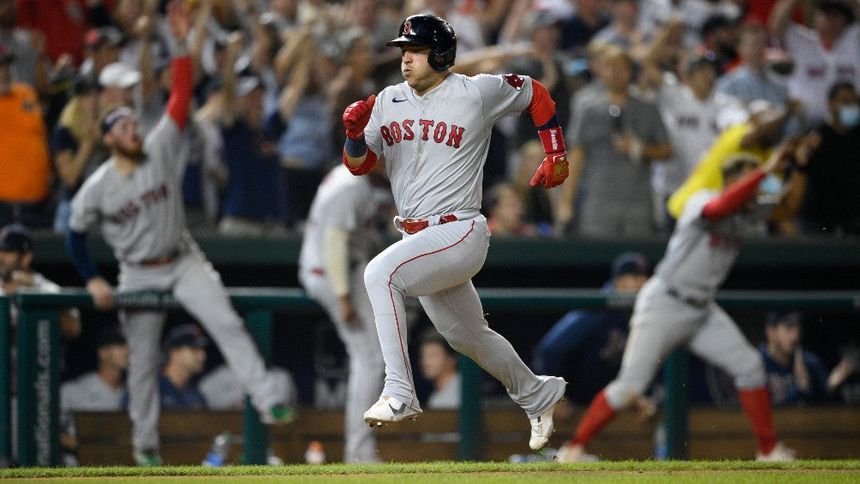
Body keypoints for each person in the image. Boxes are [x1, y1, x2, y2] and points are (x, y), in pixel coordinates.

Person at [65, 3, 293, 466]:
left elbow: (182, 93)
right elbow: (73, 234)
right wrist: (91, 277)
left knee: (226, 322)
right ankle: (145, 444)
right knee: (142, 361)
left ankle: (268, 400)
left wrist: (182, 42)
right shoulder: (98, 187)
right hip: (137, 272)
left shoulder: (159, 145)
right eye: (122, 126)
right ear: (109, 138)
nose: (132, 129)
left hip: (181, 259)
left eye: (132, 122)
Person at [341, 13, 568, 451]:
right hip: (417, 238)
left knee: (379, 274)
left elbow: (535, 93)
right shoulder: (388, 100)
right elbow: (359, 165)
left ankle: (400, 392)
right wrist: (352, 135)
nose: (406, 59)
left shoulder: (476, 91)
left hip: (459, 229)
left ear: (441, 54)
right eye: (404, 51)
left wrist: (555, 151)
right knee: (467, 336)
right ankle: (537, 393)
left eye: (416, 50)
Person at [558, 146, 803, 463]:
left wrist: (798, 166)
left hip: (701, 309)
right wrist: (764, 171)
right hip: (665, 301)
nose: (755, 187)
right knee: (631, 386)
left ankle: (768, 451)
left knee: (750, 366)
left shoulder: (747, 212)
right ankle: (574, 449)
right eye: (747, 180)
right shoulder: (701, 199)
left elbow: (785, 209)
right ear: (731, 181)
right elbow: (718, 208)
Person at [298, 162, 386, 463]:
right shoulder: (350, 186)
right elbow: (334, 242)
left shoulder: (350, 176)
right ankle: (359, 451)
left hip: (345, 270)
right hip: (332, 275)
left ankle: (359, 449)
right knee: (370, 360)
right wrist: (342, 297)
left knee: (372, 360)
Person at [535, 252, 650, 406]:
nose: (641, 283)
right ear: (618, 281)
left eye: (644, 277)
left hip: (609, 399)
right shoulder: (597, 310)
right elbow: (550, 350)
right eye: (634, 276)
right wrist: (553, 397)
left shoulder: (641, 314)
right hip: (576, 400)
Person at [759, 312, 828, 406]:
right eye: (789, 328)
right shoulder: (757, 363)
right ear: (771, 332)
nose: (796, 336)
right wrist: (800, 389)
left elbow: (825, 405)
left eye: (798, 329)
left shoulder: (810, 363)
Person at [158, 324, 207, 410]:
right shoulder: (153, 388)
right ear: (174, 352)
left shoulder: (196, 396)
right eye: (194, 349)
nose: (202, 356)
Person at [418, 329, 460, 410]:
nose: (426, 362)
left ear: (451, 359)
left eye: (433, 355)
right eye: (423, 356)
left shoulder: (463, 391)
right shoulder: (435, 397)